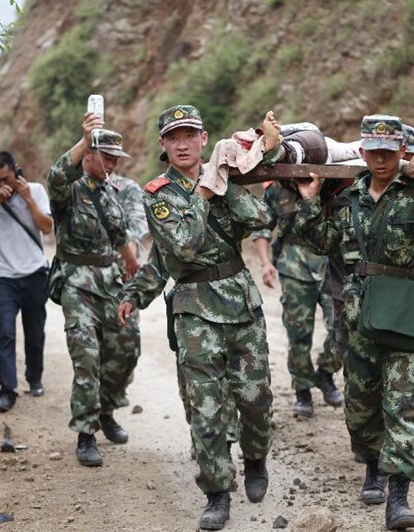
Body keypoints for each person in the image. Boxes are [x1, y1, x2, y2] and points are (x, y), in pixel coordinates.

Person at [292, 115, 414, 530]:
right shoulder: (350, 195)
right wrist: (309, 199)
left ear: (402, 152)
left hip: (404, 310)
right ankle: (371, 464)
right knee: (360, 407)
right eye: (373, 151)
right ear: (363, 151)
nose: (380, 159)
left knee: (401, 405)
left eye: (389, 152)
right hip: (359, 316)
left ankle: (398, 496)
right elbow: (318, 241)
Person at [118, 105, 273, 531]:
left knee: (255, 401)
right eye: (173, 137)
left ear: (204, 139)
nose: (182, 144)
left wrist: (228, 182)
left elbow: (260, 219)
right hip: (194, 310)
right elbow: (177, 251)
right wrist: (137, 295)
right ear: (163, 146)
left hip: (241, 304)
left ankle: (256, 459)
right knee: (205, 407)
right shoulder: (158, 194)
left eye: (189, 135)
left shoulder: (226, 177)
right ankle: (217, 494)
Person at [45, 113, 140, 467]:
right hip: (78, 284)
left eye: (117, 158)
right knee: (88, 359)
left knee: (126, 351)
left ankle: (107, 410)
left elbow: (119, 235)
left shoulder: (111, 192)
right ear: (88, 155)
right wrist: (84, 139)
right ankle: (86, 434)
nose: (112, 164)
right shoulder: (69, 191)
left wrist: (131, 263)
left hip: (111, 282)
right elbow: (55, 176)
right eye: (106, 156)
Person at [251, 112, 353, 417]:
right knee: (298, 333)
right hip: (294, 266)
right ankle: (302, 390)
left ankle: (325, 372)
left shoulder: (331, 184)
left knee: (341, 327)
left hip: (329, 263)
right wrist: (267, 263)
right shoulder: (275, 190)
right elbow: (261, 228)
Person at [0, 151, 53, 412]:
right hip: (4, 276)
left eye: (5, 178)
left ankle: (34, 377)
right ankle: (7, 391)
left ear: (16, 171)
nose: (1, 185)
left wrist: (27, 199)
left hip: (35, 274)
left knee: (35, 334)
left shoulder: (36, 191)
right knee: (6, 332)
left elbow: (47, 226)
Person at [110, 173, 149, 408]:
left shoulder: (127, 188)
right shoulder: (76, 188)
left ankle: (118, 385)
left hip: (125, 273)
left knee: (128, 343)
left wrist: (130, 257)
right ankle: (99, 404)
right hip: (88, 279)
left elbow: (137, 223)